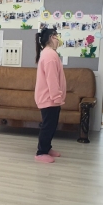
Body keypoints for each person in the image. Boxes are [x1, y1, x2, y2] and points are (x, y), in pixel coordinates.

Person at [34, 27, 66, 163]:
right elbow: (51, 79)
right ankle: (41, 153)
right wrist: (56, 97)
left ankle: (47, 148)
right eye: (57, 36)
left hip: (51, 98)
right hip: (49, 98)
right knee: (48, 126)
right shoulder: (50, 56)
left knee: (52, 125)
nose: (59, 39)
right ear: (52, 37)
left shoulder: (49, 54)